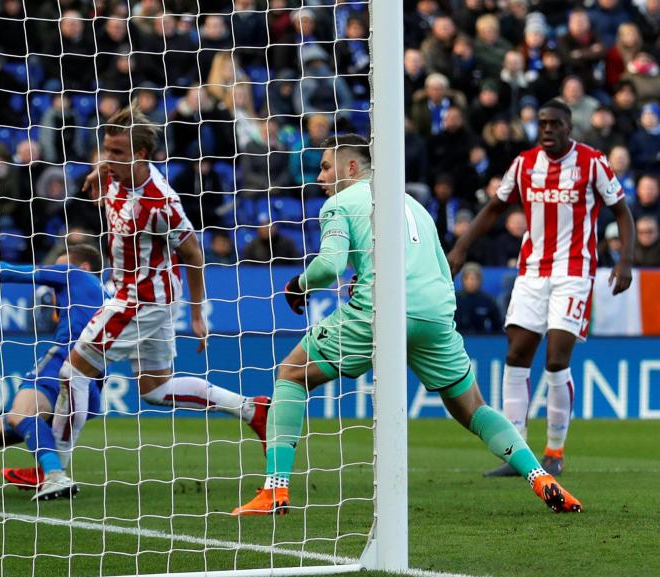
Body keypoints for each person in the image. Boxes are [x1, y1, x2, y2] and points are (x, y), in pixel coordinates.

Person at [233, 134, 581, 516]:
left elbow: (328, 266)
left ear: (351, 167)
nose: (319, 176)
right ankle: (539, 477)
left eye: (326, 166)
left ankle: (275, 490)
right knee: (473, 407)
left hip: (380, 310)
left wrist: (297, 286)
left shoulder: (339, 203)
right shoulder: (415, 205)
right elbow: (437, 264)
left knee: (292, 372)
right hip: (434, 312)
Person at [58, 106, 270, 500]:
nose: (110, 159)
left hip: (142, 299)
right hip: (138, 293)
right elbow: (107, 168)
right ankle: (251, 409)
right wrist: (98, 170)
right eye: (107, 150)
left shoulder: (160, 202)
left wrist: (196, 314)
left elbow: (193, 253)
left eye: (118, 154)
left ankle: (53, 467)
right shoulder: (113, 174)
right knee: (155, 389)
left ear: (142, 155)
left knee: (74, 370)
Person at [448, 100, 635, 478]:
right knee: (516, 354)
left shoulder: (592, 162)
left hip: (575, 272)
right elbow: (494, 208)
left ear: (569, 127)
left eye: (555, 124)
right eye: (543, 123)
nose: (547, 129)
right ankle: (516, 453)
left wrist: (625, 260)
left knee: (555, 359)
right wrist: (461, 247)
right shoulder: (524, 163)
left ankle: (554, 452)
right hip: (532, 272)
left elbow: (622, 211)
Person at [0, 245, 105, 500]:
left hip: (63, 362)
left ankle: (54, 476)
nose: (55, 274)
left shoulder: (76, 276)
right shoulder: (108, 298)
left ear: (83, 267)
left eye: (60, 267)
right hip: (91, 387)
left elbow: (9, 271)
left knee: (21, 413)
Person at [455, 263, 503, 334]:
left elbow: (498, 326)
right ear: (463, 280)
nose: (471, 282)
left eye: (475, 279)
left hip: (481, 340)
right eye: (468, 278)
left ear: (480, 280)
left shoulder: (488, 300)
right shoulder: (455, 299)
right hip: (458, 338)